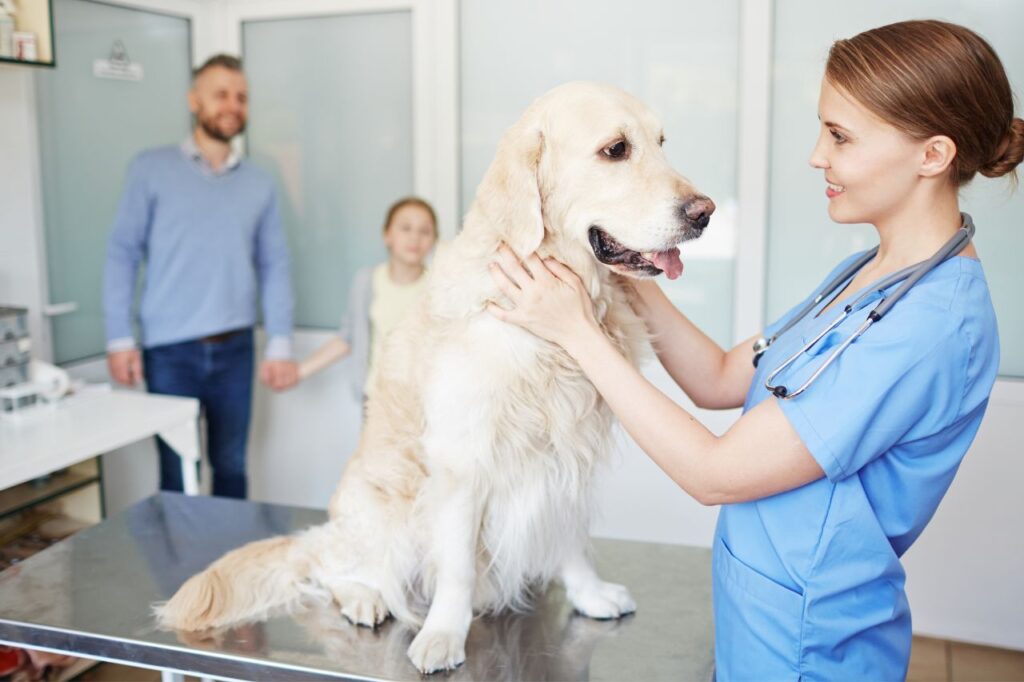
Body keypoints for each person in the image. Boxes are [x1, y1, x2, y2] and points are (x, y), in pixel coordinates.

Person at [486, 20, 1021, 680]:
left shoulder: (932, 326)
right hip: (756, 619)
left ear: (933, 155)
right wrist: (632, 268)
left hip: (813, 648)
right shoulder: (868, 273)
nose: (817, 156)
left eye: (841, 136)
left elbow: (717, 473)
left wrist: (578, 334)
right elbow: (717, 378)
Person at [103, 54, 299, 500]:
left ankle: (231, 571)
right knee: (178, 475)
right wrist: (119, 338)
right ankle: (180, 571)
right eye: (221, 94)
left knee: (231, 469)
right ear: (195, 100)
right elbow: (122, 253)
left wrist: (282, 343)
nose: (232, 105)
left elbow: (275, 265)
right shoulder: (149, 169)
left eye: (241, 97)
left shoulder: (260, 182)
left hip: (235, 349)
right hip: (169, 352)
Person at [298, 197, 438, 401]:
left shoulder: (439, 286)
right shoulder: (366, 281)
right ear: (387, 235)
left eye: (424, 231)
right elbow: (347, 338)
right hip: (375, 400)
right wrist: (298, 372)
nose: (415, 238)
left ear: (434, 240)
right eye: (405, 228)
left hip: (424, 402)